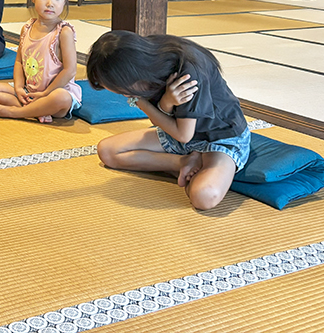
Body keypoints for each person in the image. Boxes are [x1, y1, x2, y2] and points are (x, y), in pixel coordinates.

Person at [86, 31, 250, 210]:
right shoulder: (148, 63)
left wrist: (142, 102)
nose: (125, 95)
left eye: (125, 92)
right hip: (176, 133)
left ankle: (199, 166)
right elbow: (162, 122)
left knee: (204, 196)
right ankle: (185, 162)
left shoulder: (188, 73)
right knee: (108, 151)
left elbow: (183, 135)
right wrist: (166, 103)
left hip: (219, 138)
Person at [0, 0, 79, 123]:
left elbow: (70, 70)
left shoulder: (63, 32)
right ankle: (35, 111)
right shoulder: (27, 28)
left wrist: (46, 93)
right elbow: (19, 61)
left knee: (62, 98)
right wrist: (19, 88)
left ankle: (13, 112)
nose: (50, 3)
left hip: (54, 93)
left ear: (64, 1)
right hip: (30, 92)